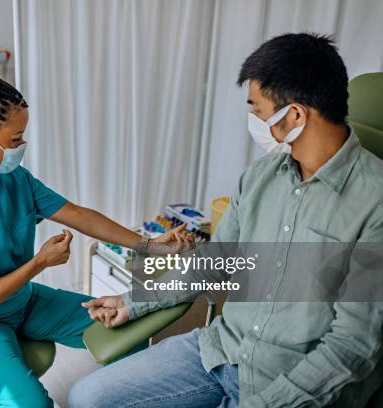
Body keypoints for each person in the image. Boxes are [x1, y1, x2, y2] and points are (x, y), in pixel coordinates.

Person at [73, 33, 383, 408]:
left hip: (289, 383)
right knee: (87, 396)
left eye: (258, 110)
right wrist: (134, 301)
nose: (254, 120)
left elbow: (353, 344)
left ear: (296, 115)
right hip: (221, 350)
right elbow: (215, 261)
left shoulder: (374, 201)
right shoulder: (260, 178)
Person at [0, 51, 190, 408]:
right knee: (33, 403)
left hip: (21, 303)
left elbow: (79, 215)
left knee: (129, 338)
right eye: (14, 140)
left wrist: (148, 245)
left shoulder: (14, 180)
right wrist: (39, 263)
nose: (20, 148)